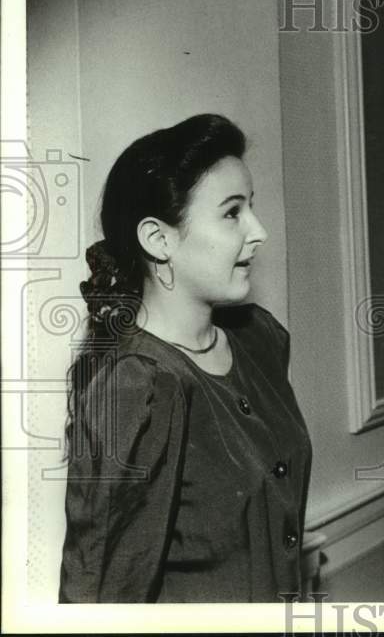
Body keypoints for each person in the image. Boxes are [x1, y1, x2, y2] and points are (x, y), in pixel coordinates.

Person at [59, 114, 312, 603]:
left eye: (252, 208)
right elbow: (100, 596)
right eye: (232, 212)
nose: (259, 231)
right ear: (159, 239)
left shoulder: (258, 340)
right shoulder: (136, 388)